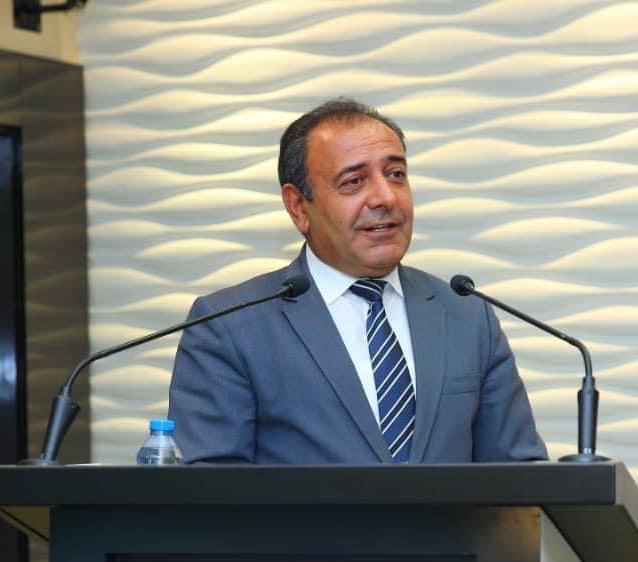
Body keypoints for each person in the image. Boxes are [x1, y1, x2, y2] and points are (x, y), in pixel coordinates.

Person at [168, 97, 546, 464]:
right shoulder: (230, 326)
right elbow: (210, 494)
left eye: (396, 175)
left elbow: (520, 480)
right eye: (353, 181)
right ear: (299, 207)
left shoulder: (468, 315)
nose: (385, 197)